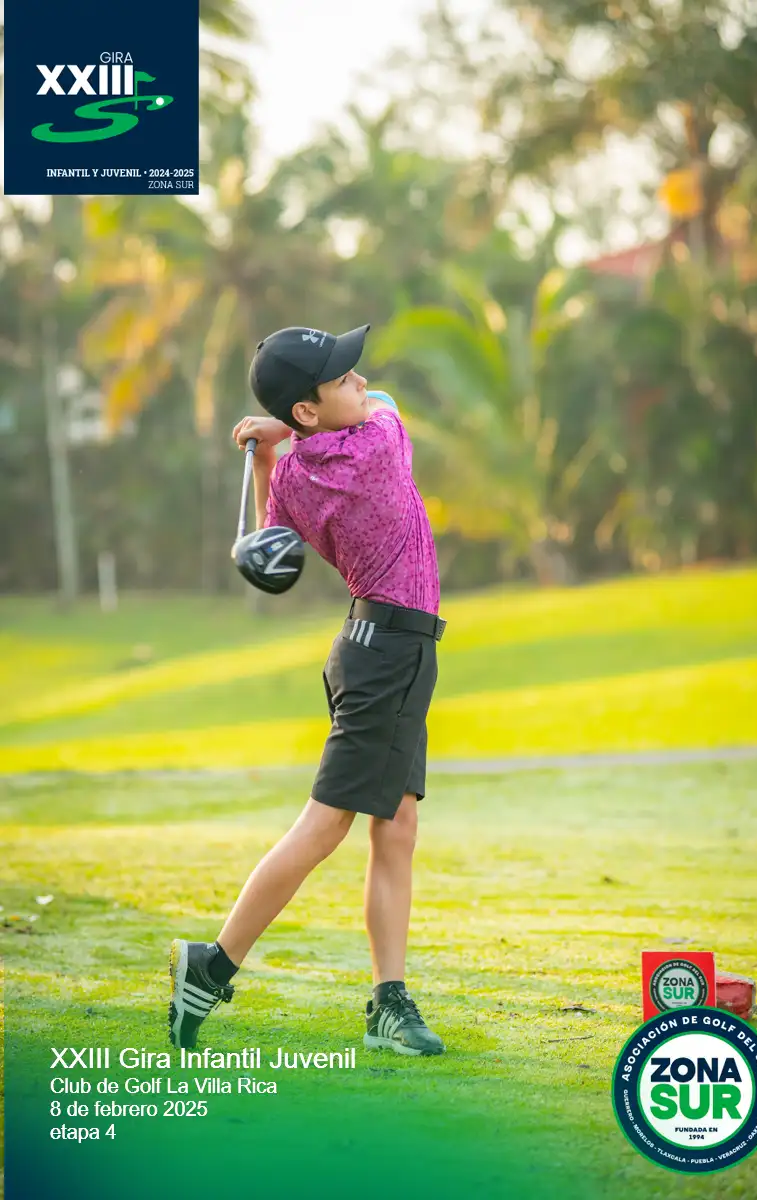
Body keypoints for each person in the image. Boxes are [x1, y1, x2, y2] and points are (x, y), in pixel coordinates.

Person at [168, 324, 446, 1057]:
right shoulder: (377, 442)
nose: (362, 380)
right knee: (326, 826)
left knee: (397, 825)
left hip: (382, 649)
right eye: (343, 377)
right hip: (387, 653)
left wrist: (273, 451)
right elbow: (387, 404)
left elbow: (276, 534)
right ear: (307, 409)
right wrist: (280, 439)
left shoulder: (293, 477)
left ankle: (388, 1003)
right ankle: (212, 966)